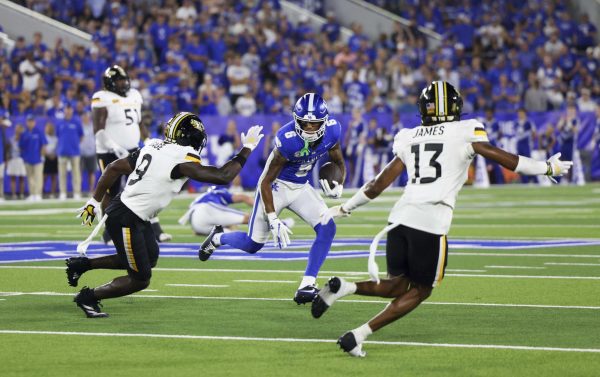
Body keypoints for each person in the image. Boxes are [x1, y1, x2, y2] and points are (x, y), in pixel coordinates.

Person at [313, 81, 573, 357]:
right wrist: (545, 167)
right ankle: (358, 335)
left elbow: (377, 185)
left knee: (397, 285)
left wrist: (344, 208)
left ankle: (344, 287)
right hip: (430, 220)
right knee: (421, 290)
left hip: (399, 219)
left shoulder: (409, 136)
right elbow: (503, 158)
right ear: (455, 106)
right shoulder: (465, 130)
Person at [65, 112, 264, 318]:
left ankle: (82, 265)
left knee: (148, 258)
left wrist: (95, 200)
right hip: (126, 217)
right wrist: (247, 149)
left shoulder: (153, 146)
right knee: (140, 278)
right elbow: (223, 176)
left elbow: (114, 167)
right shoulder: (181, 158)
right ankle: (88, 297)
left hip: (133, 213)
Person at [199, 93, 346, 304]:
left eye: (314, 124)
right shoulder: (287, 140)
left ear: (323, 122)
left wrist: (339, 183)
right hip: (276, 187)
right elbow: (265, 182)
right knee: (253, 245)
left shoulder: (333, 130)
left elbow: (339, 163)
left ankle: (306, 284)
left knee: (327, 227)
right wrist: (273, 218)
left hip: (301, 186)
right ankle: (218, 237)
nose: (309, 129)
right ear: (296, 119)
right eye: (305, 123)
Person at [91, 65, 170, 242]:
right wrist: (114, 147)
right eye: (119, 80)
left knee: (146, 186)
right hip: (108, 152)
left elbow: (139, 123)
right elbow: (98, 130)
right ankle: (109, 232)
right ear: (110, 83)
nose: (124, 83)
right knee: (112, 191)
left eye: (125, 80)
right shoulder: (102, 98)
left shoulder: (134, 95)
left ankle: (155, 228)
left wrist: (148, 140)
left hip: (134, 149)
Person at [178, 186, 294, 235]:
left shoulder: (201, 198)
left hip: (196, 224)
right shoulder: (219, 193)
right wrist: (263, 209)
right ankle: (281, 224)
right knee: (249, 219)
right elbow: (244, 198)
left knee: (229, 234)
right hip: (206, 210)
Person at [56, 104, 84, 199]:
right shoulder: (60, 122)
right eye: (66, 109)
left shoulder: (76, 121)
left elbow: (81, 136)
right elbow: (58, 136)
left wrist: (74, 144)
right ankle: (62, 192)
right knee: (62, 173)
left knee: (76, 173)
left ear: (72, 110)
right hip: (62, 151)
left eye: (69, 109)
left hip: (75, 152)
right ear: (64, 110)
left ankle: (77, 192)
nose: (68, 111)